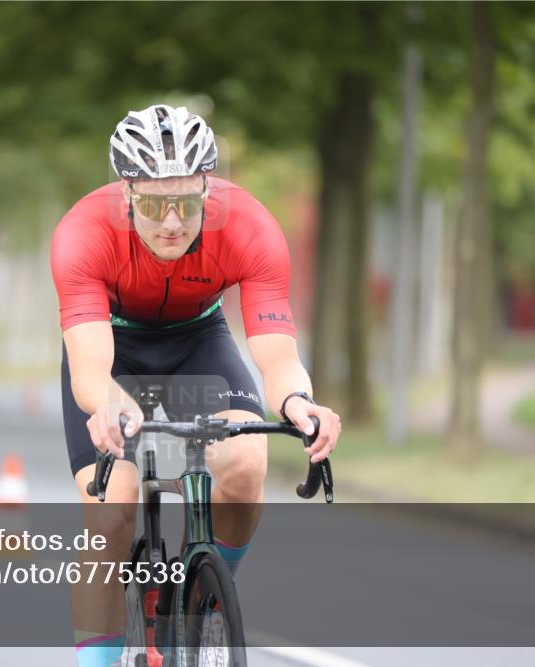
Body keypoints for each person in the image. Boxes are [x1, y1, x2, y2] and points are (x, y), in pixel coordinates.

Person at [50, 103, 342, 667]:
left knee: (245, 466)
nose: (171, 222)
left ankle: (199, 603)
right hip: (117, 351)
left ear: (209, 191)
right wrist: (111, 407)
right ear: (126, 193)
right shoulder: (81, 235)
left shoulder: (250, 227)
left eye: (186, 203)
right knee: (109, 515)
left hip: (197, 343)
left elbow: (277, 354)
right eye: (155, 204)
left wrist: (299, 402)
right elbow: (91, 371)